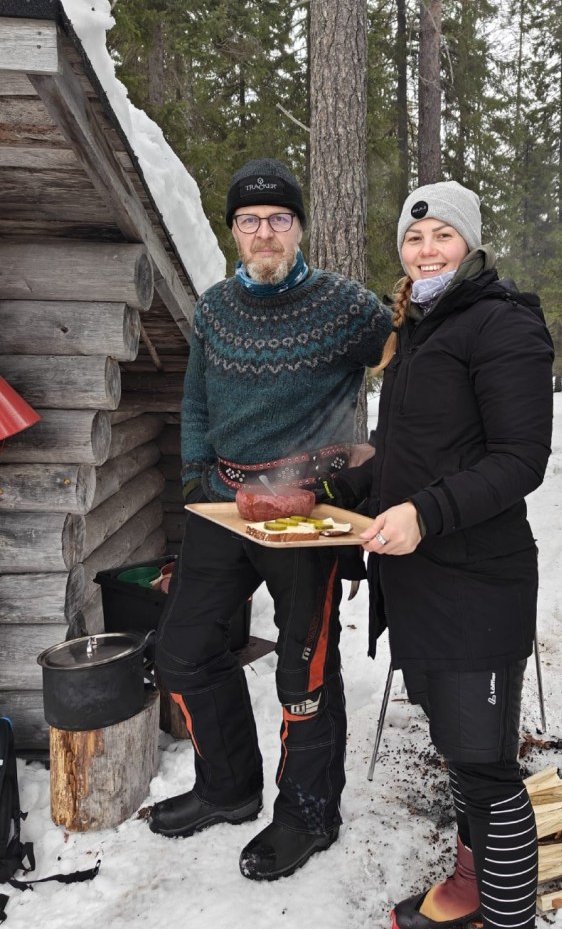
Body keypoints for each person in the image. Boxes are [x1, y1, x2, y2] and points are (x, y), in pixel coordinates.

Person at [150, 159, 392, 883]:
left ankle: (309, 811)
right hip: (223, 504)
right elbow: (196, 400)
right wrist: (196, 479)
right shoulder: (216, 309)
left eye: (279, 219)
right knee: (184, 650)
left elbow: (409, 358)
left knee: (304, 666)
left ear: (298, 228)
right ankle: (228, 788)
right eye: (251, 221)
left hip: (308, 511)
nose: (265, 233)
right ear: (233, 232)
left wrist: (359, 474)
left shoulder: (347, 308)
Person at [319, 182, 553, 929]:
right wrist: (341, 485)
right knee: (460, 752)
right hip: (420, 579)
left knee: (487, 767)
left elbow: (521, 459)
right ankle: (469, 888)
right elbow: (412, 450)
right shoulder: (421, 328)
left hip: (478, 581)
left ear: (471, 243)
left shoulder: (501, 325)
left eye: (442, 237)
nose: (426, 251)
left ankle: (508, 916)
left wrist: (424, 512)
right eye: (414, 240)